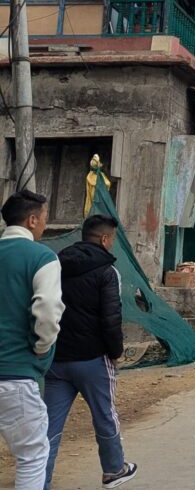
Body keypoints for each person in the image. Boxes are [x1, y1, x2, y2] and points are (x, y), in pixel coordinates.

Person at [43, 215, 137, 490]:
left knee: (49, 425)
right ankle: (113, 469)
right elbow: (111, 319)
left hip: (57, 359)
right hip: (94, 359)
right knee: (105, 414)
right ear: (106, 240)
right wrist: (116, 352)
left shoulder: (55, 266)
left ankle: (39, 480)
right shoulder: (108, 272)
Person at [0, 189, 64, 490]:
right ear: (32, 219)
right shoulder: (42, 257)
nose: (45, 226)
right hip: (16, 374)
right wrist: (42, 346)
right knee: (32, 455)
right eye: (45, 219)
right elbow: (48, 310)